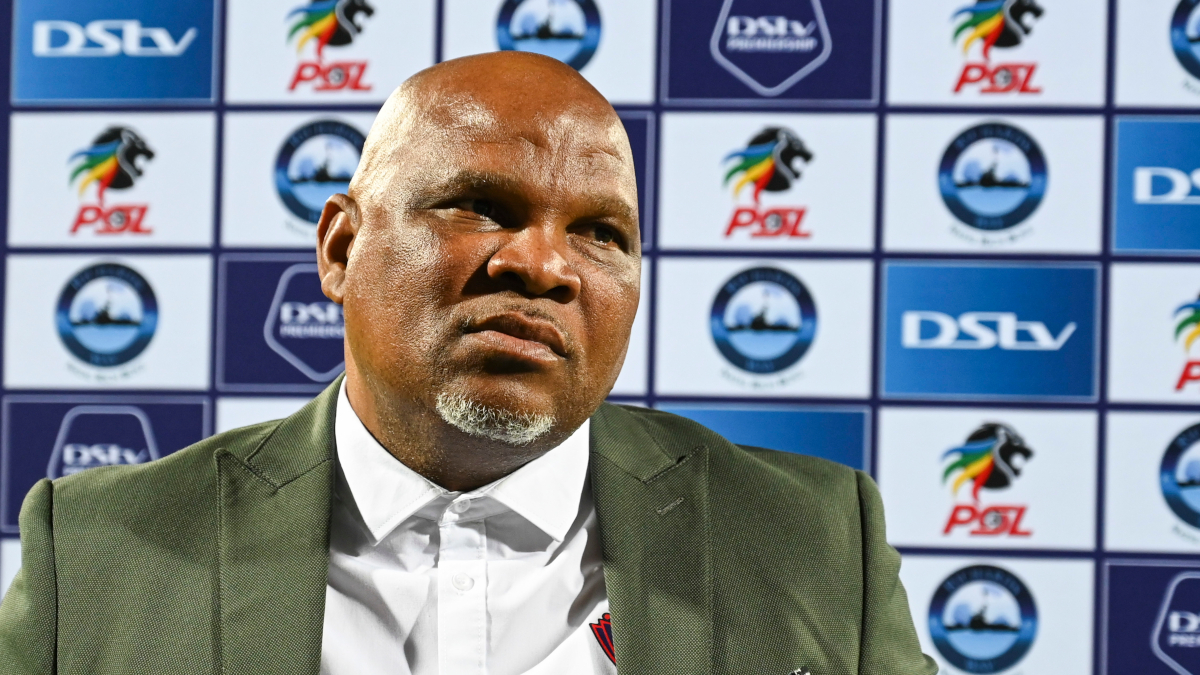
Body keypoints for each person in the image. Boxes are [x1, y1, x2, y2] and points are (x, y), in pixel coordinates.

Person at [0, 52, 936, 675]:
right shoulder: (96, 554)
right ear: (340, 248)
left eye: (601, 232)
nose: (544, 264)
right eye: (482, 206)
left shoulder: (812, 543)